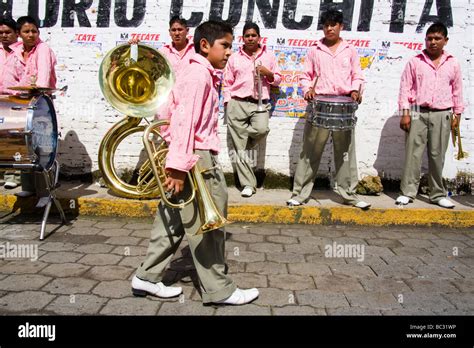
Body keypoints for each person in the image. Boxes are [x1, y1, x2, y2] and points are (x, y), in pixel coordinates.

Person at [131, 20, 259, 306]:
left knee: (173, 220)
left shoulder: (193, 71)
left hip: (186, 153)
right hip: (195, 157)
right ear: (205, 45)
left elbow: (169, 113)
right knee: (207, 223)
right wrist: (177, 166)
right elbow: (183, 122)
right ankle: (219, 290)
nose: (229, 52)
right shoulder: (198, 75)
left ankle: (146, 277)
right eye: (224, 45)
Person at [286, 9, 371, 210]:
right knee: (310, 152)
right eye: (325, 25)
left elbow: (357, 75)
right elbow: (305, 75)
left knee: (345, 154)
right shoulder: (314, 50)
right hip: (319, 106)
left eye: (333, 24)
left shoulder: (350, 51)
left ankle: (349, 194)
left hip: (343, 107)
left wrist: (355, 91)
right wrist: (307, 89)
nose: (329, 28)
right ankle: (299, 194)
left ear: (341, 27)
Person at [396, 22, 463, 209]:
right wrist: (405, 113)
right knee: (413, 154)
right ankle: (407, 192)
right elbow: (405, 88)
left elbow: (457, 90)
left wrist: (457, 114)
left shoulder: (453, 63)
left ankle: (437, 194)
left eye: (437, 39)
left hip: (443, 114)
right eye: (429, 38)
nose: (433, 42)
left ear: (445, 41)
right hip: (418, 111)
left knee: (437, 155)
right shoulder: (415, 61)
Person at [3, 16, 57, 205]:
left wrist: (28, 87)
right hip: (21, 104)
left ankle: (45, 194)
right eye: (26, 31)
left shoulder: (43, 50)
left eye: (34, 31)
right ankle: (28, 188)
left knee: (41, 147)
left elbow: (43, 78)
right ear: (19, 34)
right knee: (23, 144)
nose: (31, 34)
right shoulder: (15, 51)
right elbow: (9, 78)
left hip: (40, 104)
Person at [223, 22, 281, 198]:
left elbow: (278, 79)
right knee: (239, 148)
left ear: (259, 37)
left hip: (259, 103)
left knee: (262, 129)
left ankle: (242, 143)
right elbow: (227, 82)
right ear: (243, 38)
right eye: (247, 35)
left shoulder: (269, 56)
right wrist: (228, 103)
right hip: (237, 103)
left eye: (253, 35)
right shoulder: (234, 57)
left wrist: (267, 73)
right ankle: (248, 184)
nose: (250, 38)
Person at [0, 16, 21, 189]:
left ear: (16, 34)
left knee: (14, 139)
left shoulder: (23, 52)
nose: (4, 36)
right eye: (1, 33)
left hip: (15, 101)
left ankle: (13, 174)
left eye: (8, 32)